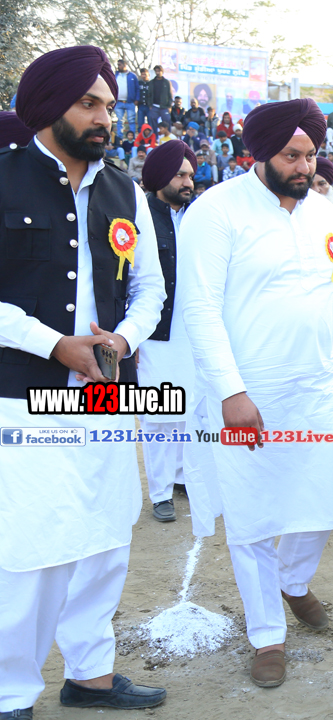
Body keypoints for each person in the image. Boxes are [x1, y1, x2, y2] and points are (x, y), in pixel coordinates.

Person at [0, 45, 168, 716]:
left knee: (105, 536)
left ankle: (90, 675)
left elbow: (152, 289)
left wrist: (122, 339)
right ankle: (11, 692)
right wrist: (54, 345)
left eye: (109, 106)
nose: (104, 118)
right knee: (32, 546)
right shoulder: (4, 177)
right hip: (22, 395)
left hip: (106, 392)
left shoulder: (126, 190)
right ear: (49, 108)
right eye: (88, 104)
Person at [178, 98, 333, 689]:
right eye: (291, 156)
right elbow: (200, 308)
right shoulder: (216, 210)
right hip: (247, 393)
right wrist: (230, 391)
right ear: (260, 153)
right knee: (253, 514)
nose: (305, 167)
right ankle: (266, 635)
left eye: (311, 155)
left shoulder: (325, 211)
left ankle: (293, 580)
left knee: (327, 495)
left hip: (314, 387)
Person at [135, 140, 197, 522]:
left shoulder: (198, 217)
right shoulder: (139, 216)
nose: (188, 182)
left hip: (192, 332)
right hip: (154, 334)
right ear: (160, 178)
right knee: (158, 415)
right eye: (180, 175)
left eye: (190, 174)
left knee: (188, 411)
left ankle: (180, 477)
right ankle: (160, 493)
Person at [112, 59, 138, 137]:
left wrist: (137, 99)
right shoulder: (115, 75)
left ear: (125, 65)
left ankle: (132, 138)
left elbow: (137, 88)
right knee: (120, 121)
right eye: (118, 64)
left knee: (131, 120)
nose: (118, 66)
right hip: (118, 102)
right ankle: (120, 138)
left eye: (119, 64)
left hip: (130, 102)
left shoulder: (132, 76)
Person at [147, 65, 171, 131]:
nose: (158, 72)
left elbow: (169, 94)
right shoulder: (151, 82)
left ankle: (167, 136)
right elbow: (149, 94)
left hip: (164, 106)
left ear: (162, 72)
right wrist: (150, 105)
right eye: (156, 71)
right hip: (154, 106)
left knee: (167, 121)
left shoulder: (166, 82)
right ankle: (155, 136)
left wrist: (169, 106)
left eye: (159, 71)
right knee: (152, 121)